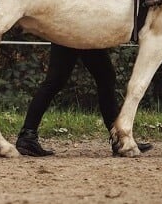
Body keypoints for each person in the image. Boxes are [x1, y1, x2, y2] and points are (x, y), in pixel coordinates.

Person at [15, 45, 153, 157]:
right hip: (79, 31)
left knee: (58, 80)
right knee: (104, 75)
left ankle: (28, 134)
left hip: (69, 27)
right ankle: (119, 138)